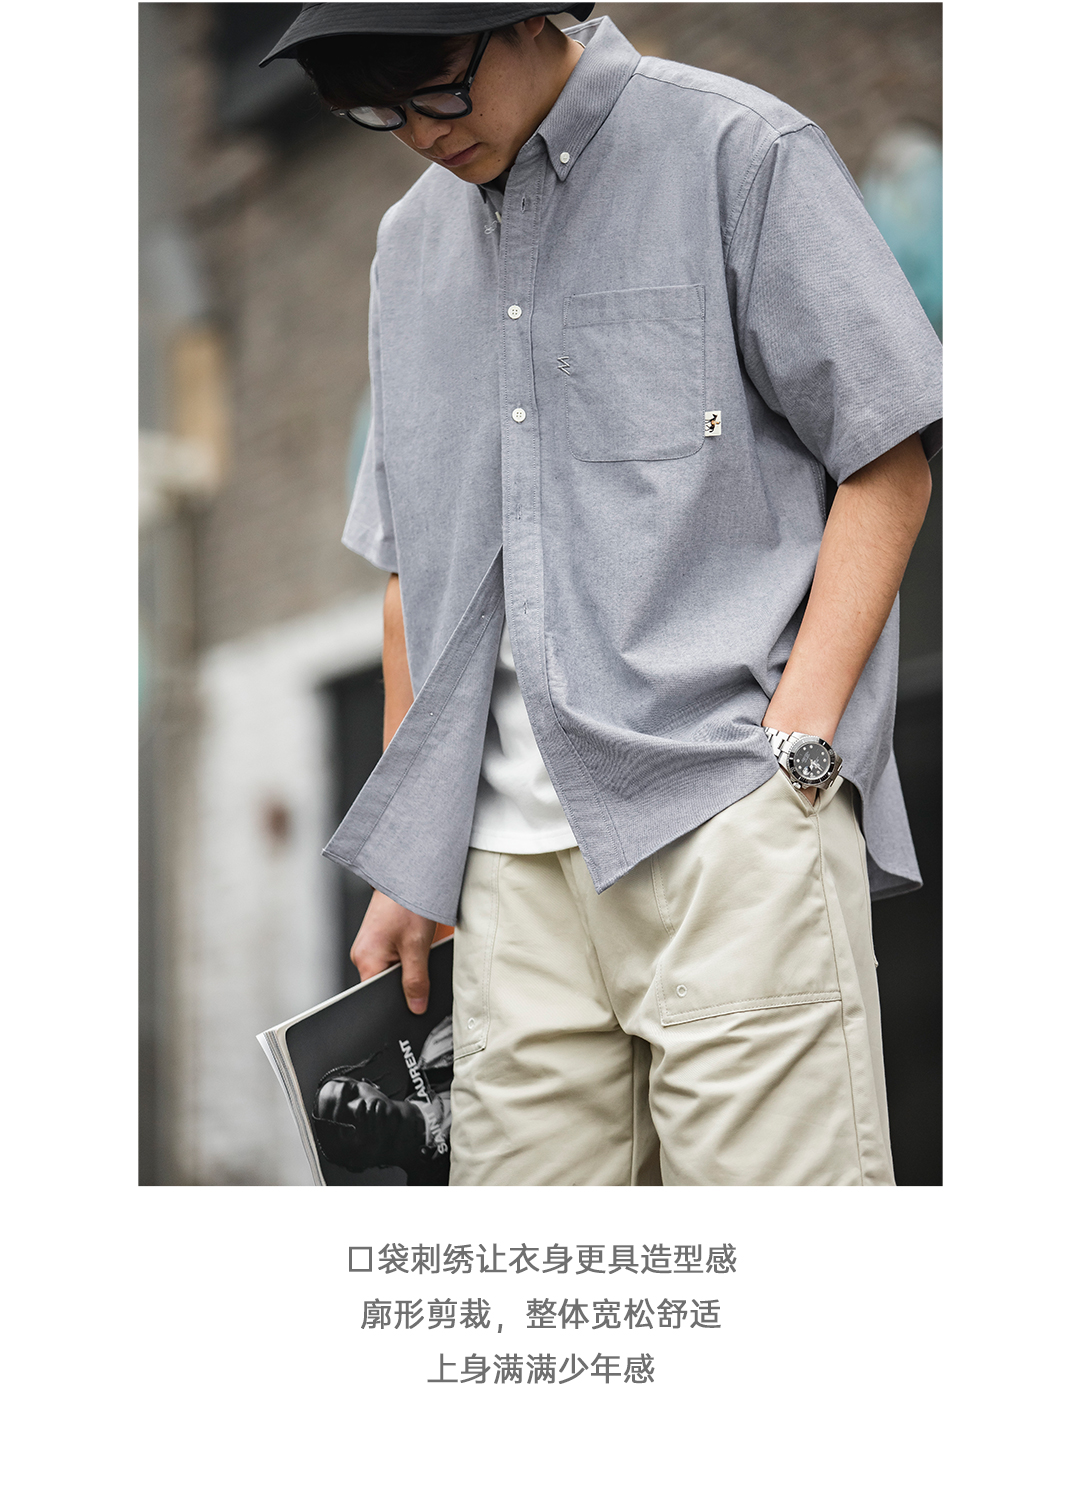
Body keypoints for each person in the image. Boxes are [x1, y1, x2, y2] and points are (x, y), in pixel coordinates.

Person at [261, 4, 942, 1186]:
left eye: (438, 84)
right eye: (379, 109)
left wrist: (797, 752)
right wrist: (412, 860)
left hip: (721, 821)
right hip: (504, 881)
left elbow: (886, 456)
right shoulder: (408, 248)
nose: (421, 132)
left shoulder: (737, 151)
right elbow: (414, 570)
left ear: (532, 15)